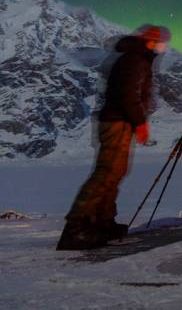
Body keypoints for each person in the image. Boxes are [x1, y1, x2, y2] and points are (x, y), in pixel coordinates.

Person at [57, 24, 171, 250]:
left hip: (119, 121)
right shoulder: (136, 60)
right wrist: (140, 123)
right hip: (117, 122)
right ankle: (76, 229)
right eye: (162, 42)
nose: (165, 47)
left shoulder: (137, 58)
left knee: (115, 172)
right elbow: (128, 94)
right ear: (152, 41)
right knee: (106, 173)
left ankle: (101, 222)